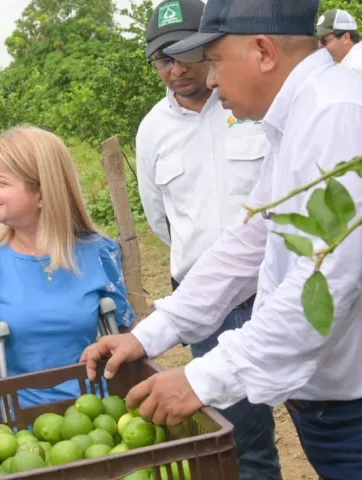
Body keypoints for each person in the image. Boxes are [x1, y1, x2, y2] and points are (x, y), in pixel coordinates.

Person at [81, 0, 362, 477]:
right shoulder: (299, 120)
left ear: (263, 51)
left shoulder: (336, 118)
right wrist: (150, 334)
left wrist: (201, 378)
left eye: (213, 59)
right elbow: (246, 244)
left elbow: (325, 286)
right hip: (330, 401)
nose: (209, 79)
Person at [134, 1, 282, 478]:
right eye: (162, 59)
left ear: (210, 47)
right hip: (207, 306)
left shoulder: (255, 103)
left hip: (276, 289)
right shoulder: (153, 130)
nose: (175, 69)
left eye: (184, 53)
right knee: (241, 442)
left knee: (323, 412)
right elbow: (160, 218)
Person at [0, 125, 135, 408]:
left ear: (41, 192)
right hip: (21, 423)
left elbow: (125, 335)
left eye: (1, 181)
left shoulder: (98, 253)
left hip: (97, 410)